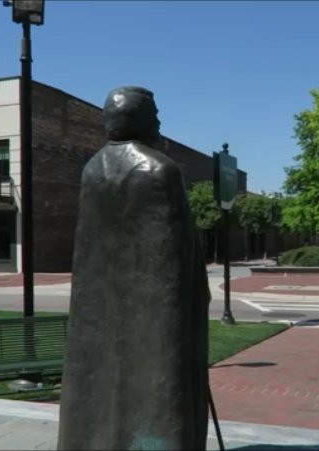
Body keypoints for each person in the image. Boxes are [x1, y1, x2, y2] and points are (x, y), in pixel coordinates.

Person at [57, 86, 210, 451]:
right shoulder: (160, 170)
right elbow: (176, 259)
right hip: (155, 312)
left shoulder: (92, 170)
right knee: (156, 377)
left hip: (100, 307)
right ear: (138, 118)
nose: (158, 120)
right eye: (154, 113)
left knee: (103, 374)